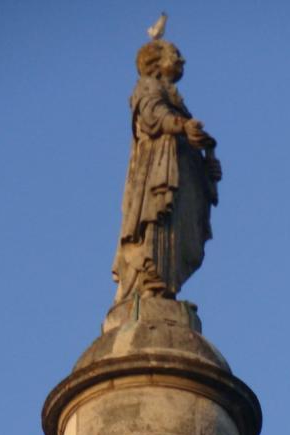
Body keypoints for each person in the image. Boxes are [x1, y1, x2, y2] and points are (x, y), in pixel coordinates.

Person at [112, 40, 222, 303]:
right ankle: (151, 280)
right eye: (176, 54)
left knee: (173, 222)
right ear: (155, 62)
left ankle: (165, 283)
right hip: (158, 170)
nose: (182, 60)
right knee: (157, 219)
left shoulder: (176, 101)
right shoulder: (149, 86)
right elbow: (152, 117)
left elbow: (183, 136)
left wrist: (207, 169)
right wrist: (182, 126)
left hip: (177, 171)